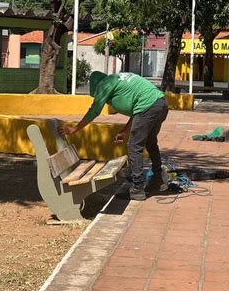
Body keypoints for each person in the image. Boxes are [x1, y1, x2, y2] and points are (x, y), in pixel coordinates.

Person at [59, 71, 169, 201]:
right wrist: (124, 131)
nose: (107, 103)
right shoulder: (116, 79)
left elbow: (94, 110)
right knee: (150, 143)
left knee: (134, 146)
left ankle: (137, 189)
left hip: (148, 106)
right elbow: (137, 111)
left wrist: (74, 129)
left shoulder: (104, 84)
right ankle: (158, 180)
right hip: (161, 103)